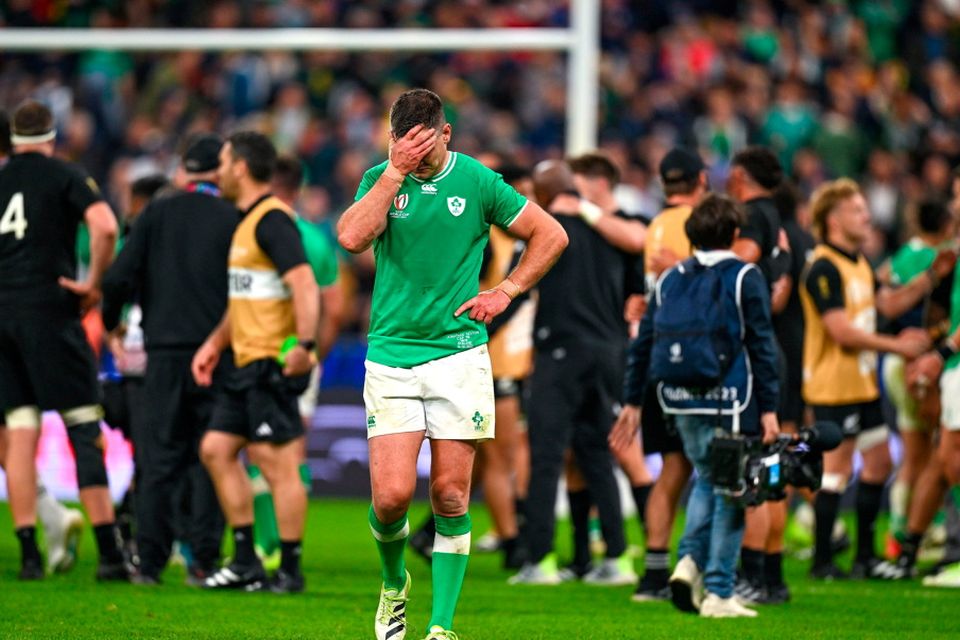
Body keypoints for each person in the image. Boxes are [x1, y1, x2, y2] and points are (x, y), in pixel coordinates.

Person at [337, 88, 566, 640]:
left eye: (427, 144)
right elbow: (349, 237)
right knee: (390, 499)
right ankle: (395, 584)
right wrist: (395, 173)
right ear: (394, 140)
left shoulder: (478, 180)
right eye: (404, 143)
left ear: (447, 134)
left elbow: (551, 234)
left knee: (450, 494)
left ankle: (441, 626)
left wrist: (506, 291)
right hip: (392, 354)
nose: (420, 154)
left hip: (458, 354)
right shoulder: (380, 180)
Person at [611, 193, 781, 618]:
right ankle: (719, 592)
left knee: (706, 476)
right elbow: (761, 345)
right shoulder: (745, 276)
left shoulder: (670, 279)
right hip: (730, 399)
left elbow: (645, 343)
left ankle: (688, 562)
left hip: (678, 397)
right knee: (732, 492)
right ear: (735, 233)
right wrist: (770, 409)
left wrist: (633, 401)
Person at [102, 134, 237, 585]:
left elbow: (119, 276)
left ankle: (151, 561)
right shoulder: (233, 216)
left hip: (162, 355)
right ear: (219, 171)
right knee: (210, 458)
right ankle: (202, 560)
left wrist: (110, 322)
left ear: (184, 170)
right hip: (215, 354)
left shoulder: (156, 212)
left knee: (158, 459)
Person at [0, 100, 126, 581]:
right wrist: (93, 282)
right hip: (49, 310)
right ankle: (110, 554)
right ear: (51, 139)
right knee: (80, 425)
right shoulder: (65, 175)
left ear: (14, 139)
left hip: (4, 315)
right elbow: (105, 225)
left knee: (20, 430)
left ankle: (30, 552)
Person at [192, 131, 320, 594]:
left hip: (269, 363)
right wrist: (214, 342)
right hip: (242, 364)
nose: (219, 172)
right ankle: (245, 560)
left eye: (224, 162)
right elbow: (245, 297)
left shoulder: (271, 220)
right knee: (216, 450)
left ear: (241, 167)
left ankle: (289, 569)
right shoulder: (247, 222)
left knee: (276, 464)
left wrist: (304, 345)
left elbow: (304, 284)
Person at [509, 159, 636, 587]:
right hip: (608, 353)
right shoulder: (610, 231)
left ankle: (540, 559)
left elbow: (521, 292)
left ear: (541, 197)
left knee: (545, 456)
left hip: (560, 352)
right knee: (598, 457)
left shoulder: (546, 231)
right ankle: (617, 558)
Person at [800, 178, 935, 580]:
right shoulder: (822, 265)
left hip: (863, 384)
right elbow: (840, 331)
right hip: (833, 386)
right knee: (835, 471)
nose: (867, 216)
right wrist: (898, 347)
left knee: (879, 463)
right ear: (834, 218)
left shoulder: (858, 262)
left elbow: (885, 304)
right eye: (858, 210)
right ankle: (822, 561)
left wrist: (928, 280)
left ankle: (863, 557)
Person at [614, 147, 706, 601]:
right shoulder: (699, 226)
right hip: (693, 363)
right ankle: (712, 568)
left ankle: (654, 571)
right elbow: (701, 290)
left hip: (654, 361)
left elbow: (656, 295)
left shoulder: (655, 227)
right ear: (702, 180)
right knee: (699, 468)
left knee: (673, 468)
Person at [243, 154, 342, 570]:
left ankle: (269, 544)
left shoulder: (252, 229)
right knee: (292, 449)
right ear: (298, 188)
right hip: (302, 356)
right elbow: (335, 307)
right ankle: (288, 548)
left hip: (260, 354)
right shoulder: (316, 239)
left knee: (259, 450)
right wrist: (313, 352)